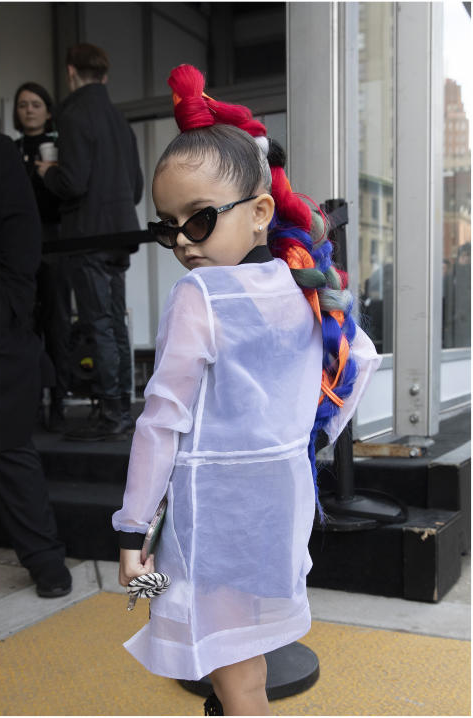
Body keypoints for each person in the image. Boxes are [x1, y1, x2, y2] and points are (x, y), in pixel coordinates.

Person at [113, 65, 380, 716]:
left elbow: (160, 422)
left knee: (234, 681)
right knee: (247, 668)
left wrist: (131, 529)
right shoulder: (302, 289)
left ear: (261, 211)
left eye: (198, 220)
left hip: (217, 517)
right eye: (167, 226)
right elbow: (360, 362)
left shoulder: (198, 296)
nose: (180, 241)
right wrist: (304, 435)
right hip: (280, 510)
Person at [37, 44, 143, 442]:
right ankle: (123, 408)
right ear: (105, 75)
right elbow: (135, 187)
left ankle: (111, 414)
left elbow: (73, 182)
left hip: (88, 235)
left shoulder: (74, 113)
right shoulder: (120, 119)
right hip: (121, 233)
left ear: (71, 72)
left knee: (98, 323)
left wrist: (49, 172)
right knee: (116, 323)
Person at [0, 132, 71, 598]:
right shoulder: (2, 153)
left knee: (10, 447)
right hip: (10, 318)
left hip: (7, 322)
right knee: (10, 448)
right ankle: (45, 561)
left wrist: (10, 308)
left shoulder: (0, 153)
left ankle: (46, 561)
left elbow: (22, 240)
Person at [13, 81, 71, 432]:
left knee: (58, 325)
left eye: (36, 104)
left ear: (48, 111)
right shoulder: (12, 149)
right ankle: (31, 405)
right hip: (23, 248)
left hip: (56, 243)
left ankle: (60, 404)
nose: (29, 109)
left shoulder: (61, 149)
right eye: (23, 104)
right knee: (26, 327)